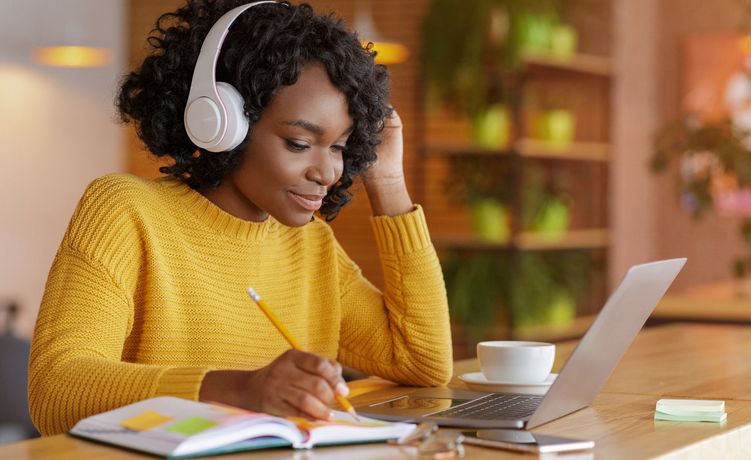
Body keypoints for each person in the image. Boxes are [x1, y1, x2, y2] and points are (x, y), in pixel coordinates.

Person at [28, 0, 452, 436]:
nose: (327, 172)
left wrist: (388, 181)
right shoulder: (125, 211)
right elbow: (56, 390)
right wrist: (238, 390)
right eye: (299, 143)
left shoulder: (311, 244)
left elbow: (423, 361)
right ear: (222, 122)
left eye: (341, 147)